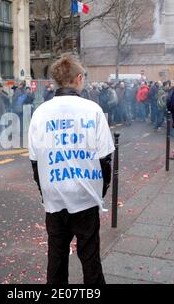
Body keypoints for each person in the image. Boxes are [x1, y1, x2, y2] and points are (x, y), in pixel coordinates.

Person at [28, 55, 114, 284]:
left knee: (56, 257)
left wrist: (46, 192)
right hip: (85, 195)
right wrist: (100, 192)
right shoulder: (92, 110)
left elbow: (35, 162)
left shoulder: (40, 113)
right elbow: (106, 159)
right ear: (78, 78)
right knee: (90, 257)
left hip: (54, 196)